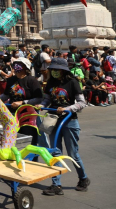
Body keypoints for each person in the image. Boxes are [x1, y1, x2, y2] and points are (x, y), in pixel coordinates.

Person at [40, 57, 90, 196]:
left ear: (63, 70)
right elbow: (47, 99)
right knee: (55, 152)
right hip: (54, 119)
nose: (55, 72)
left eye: (57, 69)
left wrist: (67, 108)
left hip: (69, 121)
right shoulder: (50, 82)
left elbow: (81, 103)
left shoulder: (72, 82)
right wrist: (42, 105)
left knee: (72, 153)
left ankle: (83, 178)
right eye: (53, 69)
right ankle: (56, 185)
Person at [4, 58, 43, 144]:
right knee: (14, 140)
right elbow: (6, 95)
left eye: (20, 64)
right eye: (15, 64)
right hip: (13, 115)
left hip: (28, 115)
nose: (16, 66)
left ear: (26, 67)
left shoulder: (32, 80)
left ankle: (32, 157)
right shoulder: (11, 80)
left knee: (28, 140)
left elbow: (39, 98)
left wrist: (23, 102)